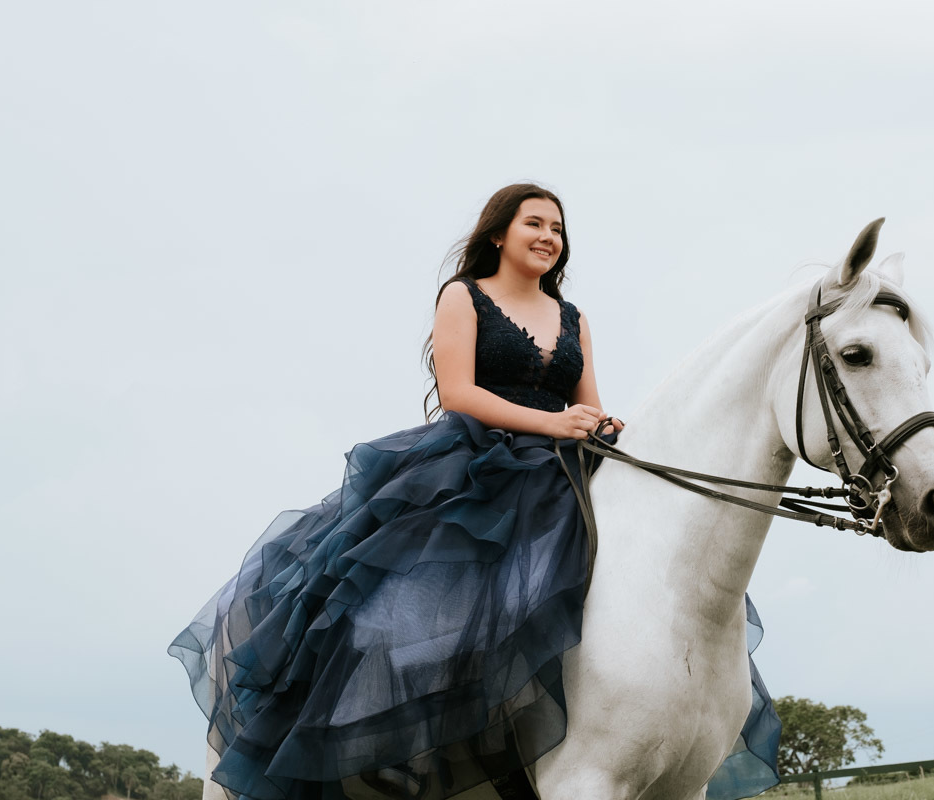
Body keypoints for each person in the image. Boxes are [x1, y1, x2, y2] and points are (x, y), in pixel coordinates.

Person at [169, 184, 625, 800]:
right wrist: (551, 422)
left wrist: (602, 424)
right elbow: (459, 393)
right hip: (477, 462)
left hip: (560, 464)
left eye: (558, 229)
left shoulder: (574, 318)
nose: (549, 237)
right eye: (534, 224)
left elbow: (587, 404)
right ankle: (403, 734)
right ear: (499, 234)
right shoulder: (464, 296)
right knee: (405, 597)